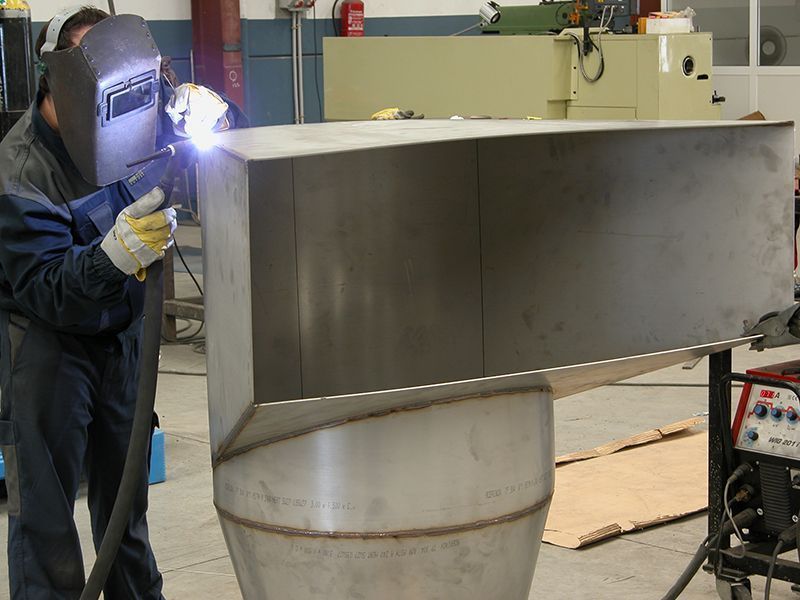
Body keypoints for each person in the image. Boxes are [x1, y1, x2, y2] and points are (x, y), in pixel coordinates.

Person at [0, 6, 233, 599]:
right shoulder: (22, 171)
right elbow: (46, 289)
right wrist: (112, 257)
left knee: (126, 505)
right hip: (48, 350)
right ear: (60, 80)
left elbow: (226, 148)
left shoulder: (139, 113)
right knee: (46, 519)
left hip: (122, 338)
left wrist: (217, 113)